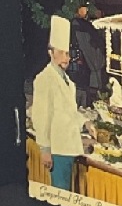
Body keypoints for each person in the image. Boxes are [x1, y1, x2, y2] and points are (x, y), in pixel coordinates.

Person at [31, 15, 93, 190]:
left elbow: (69, 112)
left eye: (68, 53)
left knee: (66, 195)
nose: (67, 58)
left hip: (68, 147)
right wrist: (45, 149)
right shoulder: (44, 79)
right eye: (62, 53)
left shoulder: (67, 81)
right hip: (57, 149)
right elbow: (41, 116)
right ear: (51, 53)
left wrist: (85, 122)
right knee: (60, 194)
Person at [69, 4, 106, 108]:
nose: (84, 12)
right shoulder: (80, 26)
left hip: (86, 69)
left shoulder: (88, 26)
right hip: (80, 68)